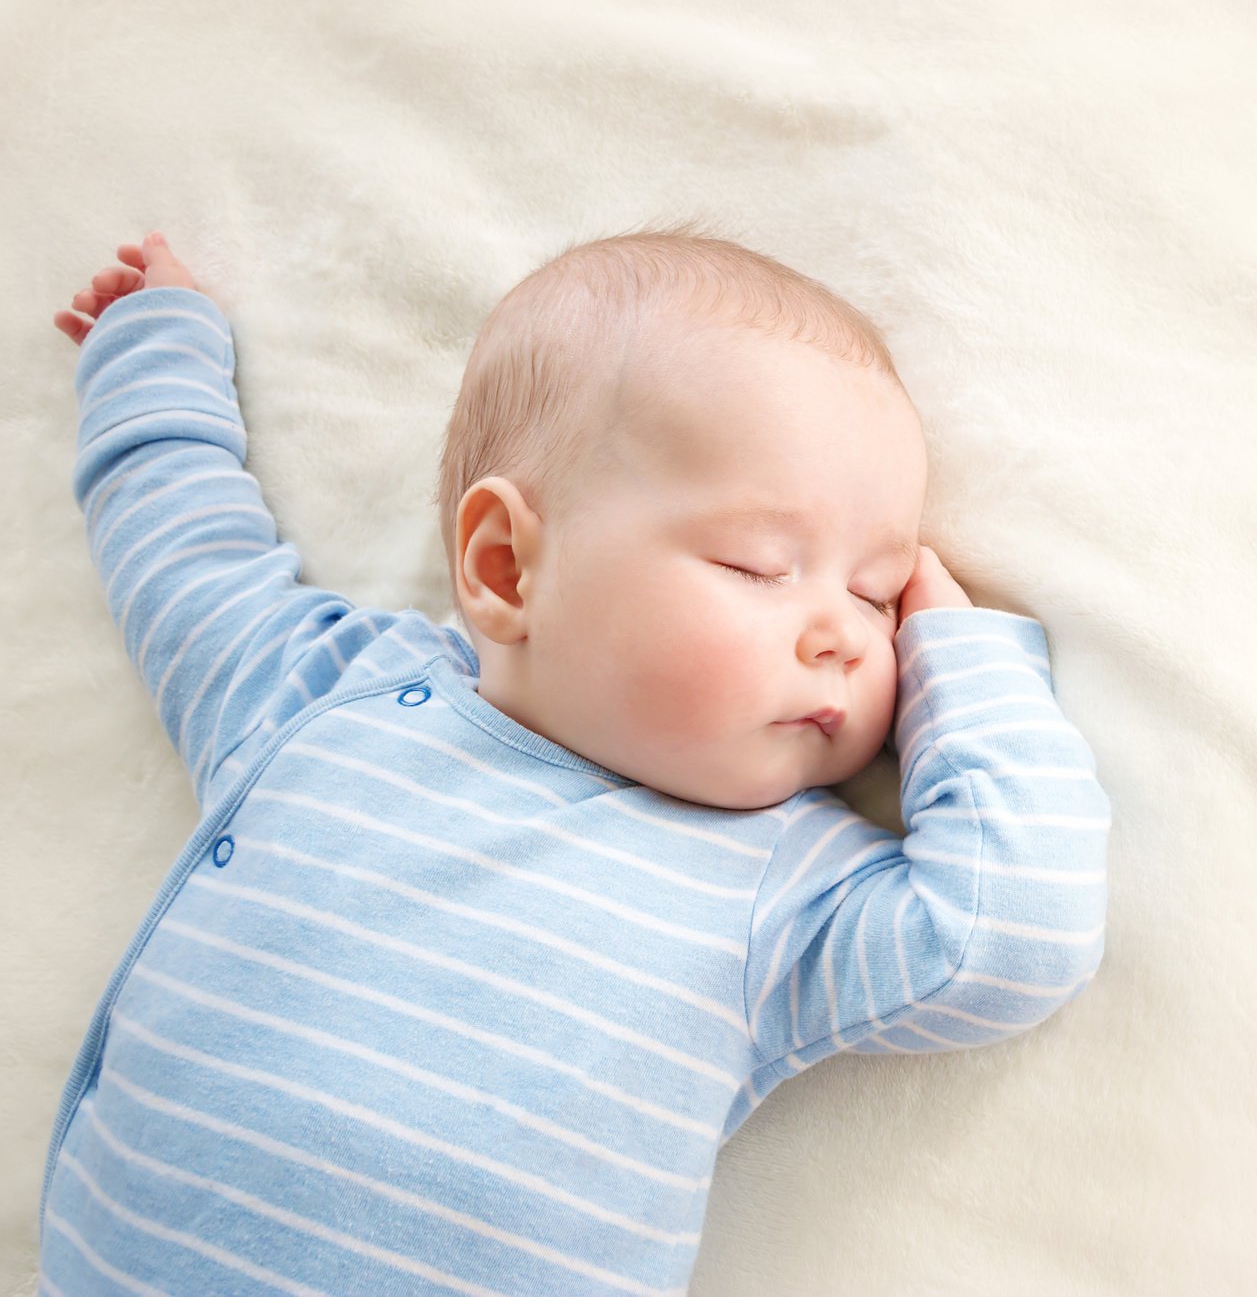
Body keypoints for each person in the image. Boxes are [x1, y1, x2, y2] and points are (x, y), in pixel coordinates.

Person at [39, 225, 1111, 1293]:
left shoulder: (780, 887)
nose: (843, 630)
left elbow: (1009, 933)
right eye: (760, 563)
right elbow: (181, 552)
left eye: (876, 592)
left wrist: (956, 657)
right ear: (506, 566)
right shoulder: (317, 694)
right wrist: (152, 348)